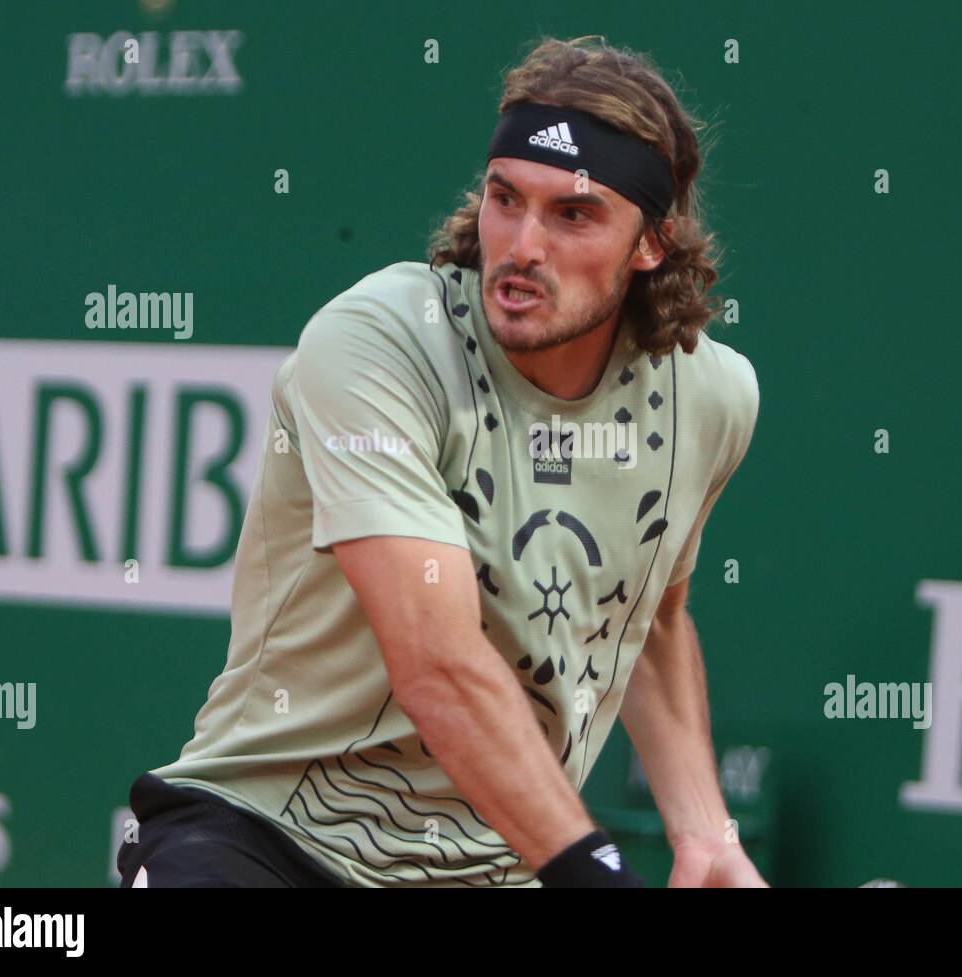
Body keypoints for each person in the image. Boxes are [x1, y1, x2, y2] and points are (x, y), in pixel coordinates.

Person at [117, 35, 764, 888]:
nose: (523, 245)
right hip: (265, 838)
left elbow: (649, 622)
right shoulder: (379, 342)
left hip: (499, 869)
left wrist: (707, 835)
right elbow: (437, 662)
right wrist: (593, 869)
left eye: (572, 214)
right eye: (505, 198)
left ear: (652, 242)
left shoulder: (710, 398)